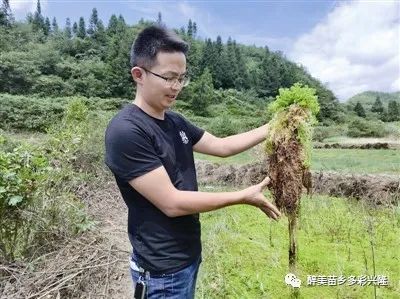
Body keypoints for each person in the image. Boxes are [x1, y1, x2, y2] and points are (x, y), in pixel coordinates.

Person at [105, 25, 281, 299]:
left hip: (187, 258)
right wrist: (242, 196)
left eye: (182, 78)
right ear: (139, 75)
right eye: (169, 77)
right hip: (160, 272)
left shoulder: (175, 121)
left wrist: (273, 126)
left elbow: (222, 146)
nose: (177, 87)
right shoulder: (127, 131)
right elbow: (172, 203)